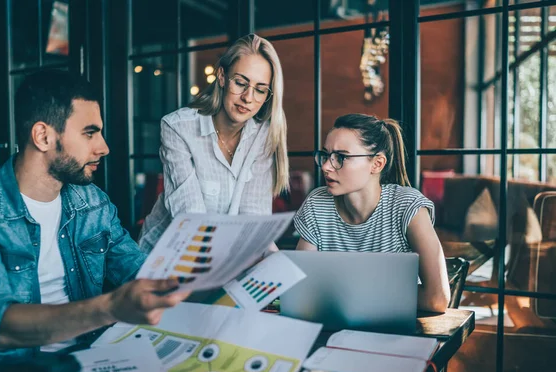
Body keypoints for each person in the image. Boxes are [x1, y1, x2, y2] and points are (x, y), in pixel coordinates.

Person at [0, 70, 189, 372]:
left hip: (90, 364)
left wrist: (203, 274)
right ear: (43, 136)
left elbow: (139, 271)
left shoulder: (92, 202)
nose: (103, 147)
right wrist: (110, 307)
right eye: (90, 133)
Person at [139, 34, 289, 252]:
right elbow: (190, 215)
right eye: (240, 83)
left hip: (220, 256)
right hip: (165, 254)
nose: (248, 97)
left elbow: (253, 216)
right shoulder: (178, 128)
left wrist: (273, 259)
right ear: (221, 77)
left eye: (260, 89)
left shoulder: (263, 137)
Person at [294, 114, 451, 312]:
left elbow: (437, 299)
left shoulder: (408, 206)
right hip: (333, 329)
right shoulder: (317, 203)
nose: (326, 166)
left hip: (395, 334)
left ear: (377, 164)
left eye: (341, 157)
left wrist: (347, 295)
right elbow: (301, 286)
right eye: (326, 155)